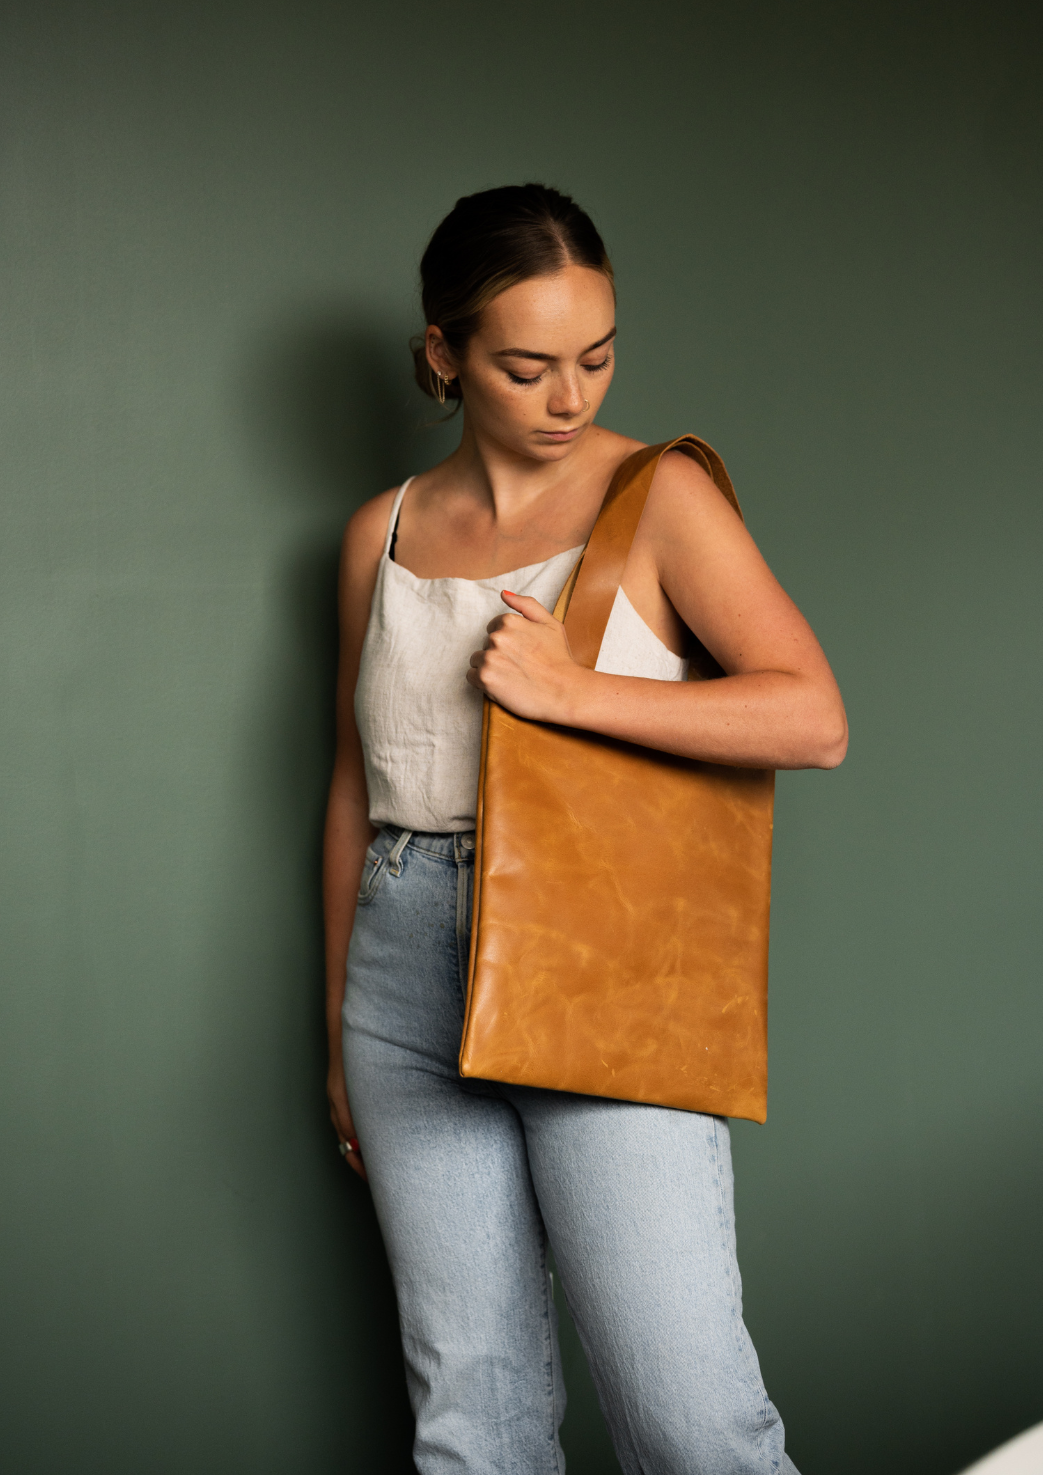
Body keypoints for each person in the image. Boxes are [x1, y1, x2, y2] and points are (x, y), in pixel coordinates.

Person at [323, 183, 847, 1475]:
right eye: (526, 367)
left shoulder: (657, 496)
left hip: (597, 965)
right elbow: (350, 784)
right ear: (444, 353)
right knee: (471, 1422)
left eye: (596, 357)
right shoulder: (381, 532)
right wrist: (335, 1026)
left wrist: (573, 694)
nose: (569, 397)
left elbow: (812, 717)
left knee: (688, 1420)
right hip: (400, 972)